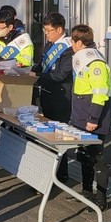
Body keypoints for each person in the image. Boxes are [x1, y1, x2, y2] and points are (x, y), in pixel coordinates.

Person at [69, 25, 111, 209]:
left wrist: (93, 119)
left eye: (72, 41)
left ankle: (101, 199)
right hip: (80, 116)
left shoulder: (95, 63)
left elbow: (100, 93)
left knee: (97, 159)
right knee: (84, 156)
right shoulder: (83, 59)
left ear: (79, 42)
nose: (71, 45)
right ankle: (86, 193)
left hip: (93, 119)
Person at [33, 13, 74, 183]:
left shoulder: (68, 48)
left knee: (59, 136)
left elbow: (60, 75)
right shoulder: (49, 45)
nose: (46, 34)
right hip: (47, 95)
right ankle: (49, 171)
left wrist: (36, 75)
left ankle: (61, 173)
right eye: (44, 30)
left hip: (61, 98)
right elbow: (42, 66)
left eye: (49, 31)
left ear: (59, 29)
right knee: (47, 134)